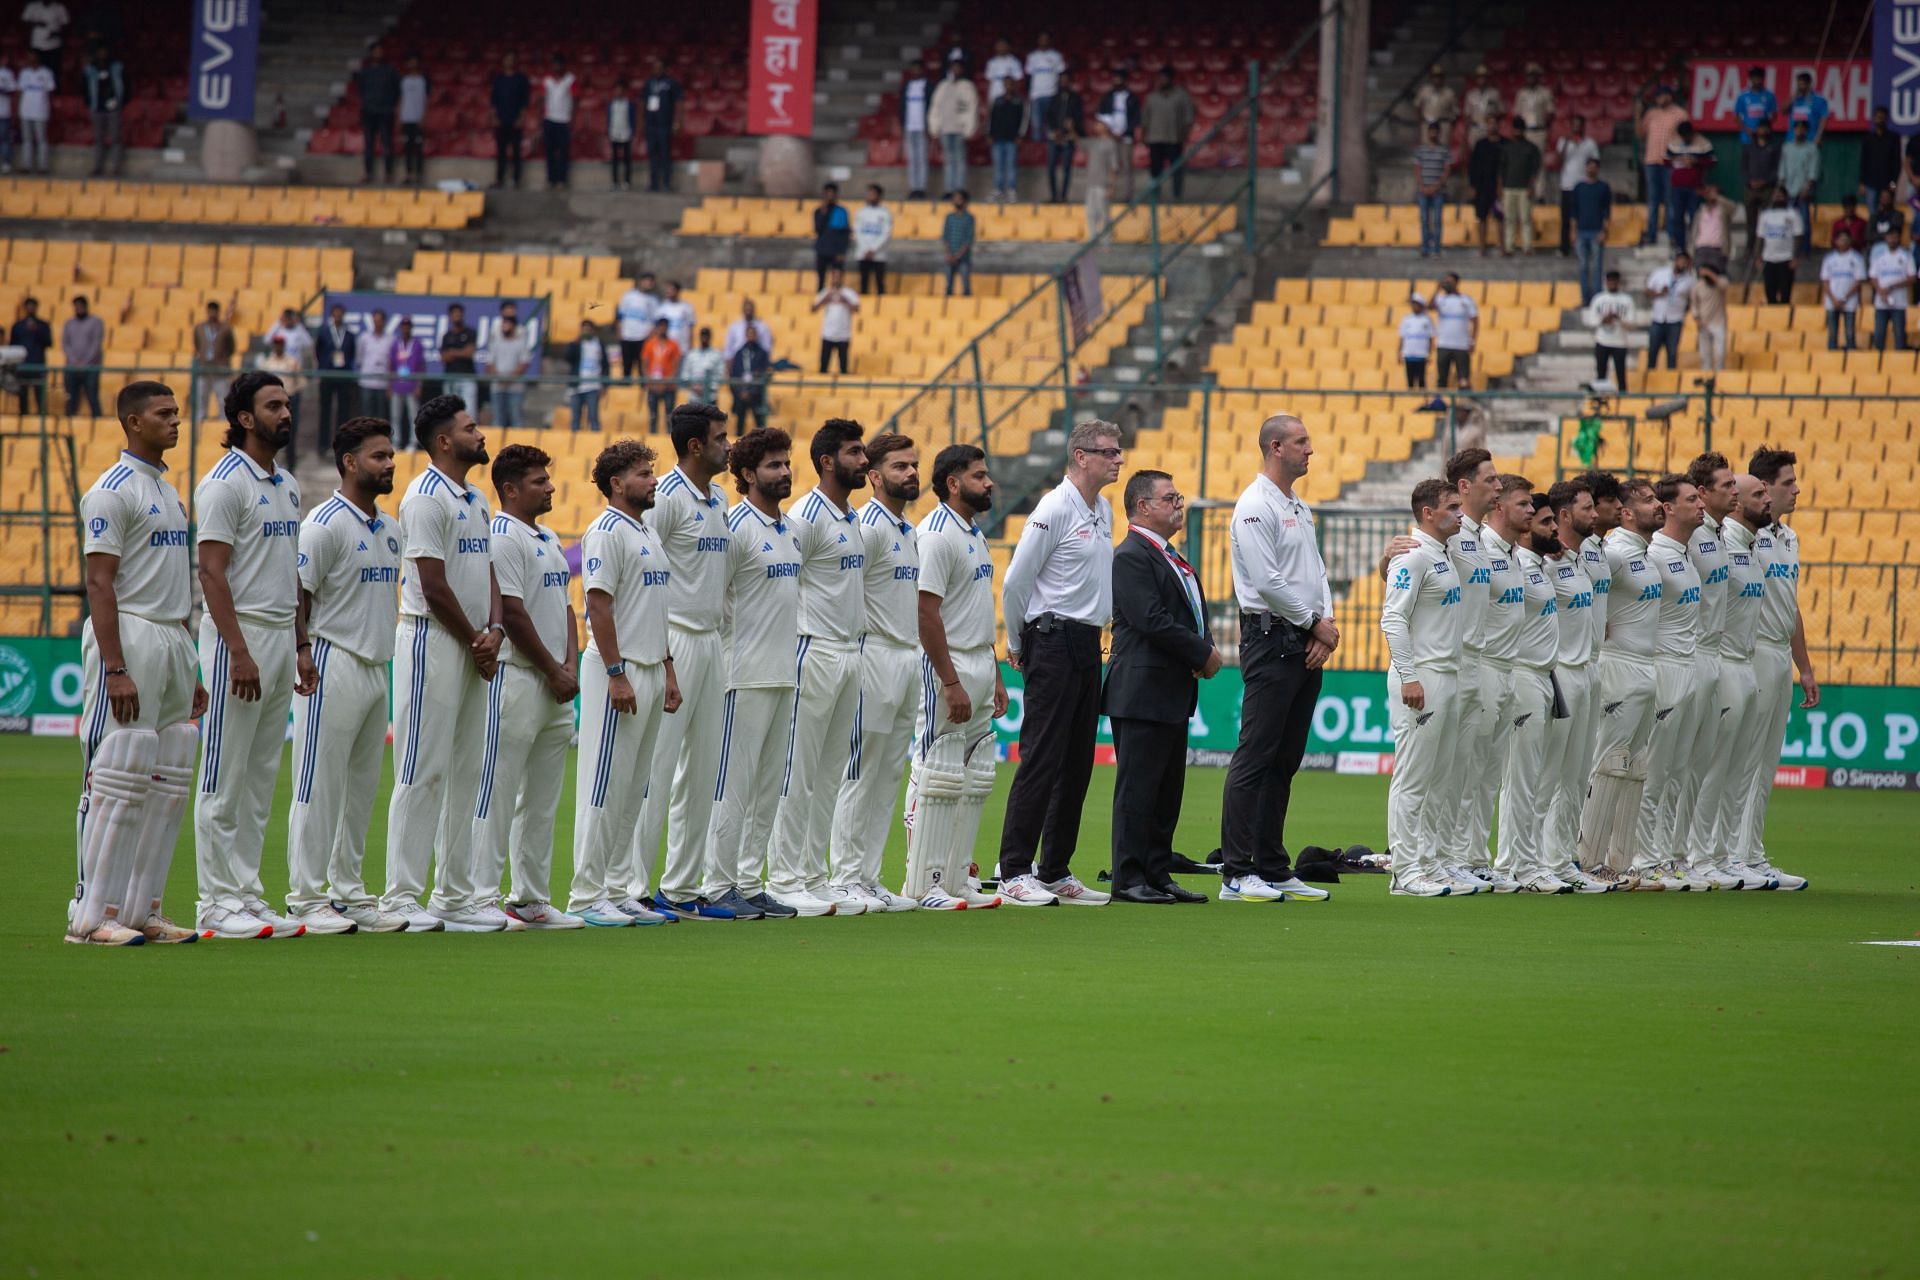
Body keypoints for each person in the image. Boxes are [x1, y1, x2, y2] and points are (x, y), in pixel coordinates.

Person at [69, 380, 206, 945]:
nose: (176, 422)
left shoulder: (169, 493)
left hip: (171, 636)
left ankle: (140, 909)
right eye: (163, 415)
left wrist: (190, 662)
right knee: (115, 770)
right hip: (129, 632)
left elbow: (173, 581)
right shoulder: (111, 491)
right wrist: (116, 665)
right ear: (133, 422)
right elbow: (99, 583)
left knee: (169, 771)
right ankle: (88, 915)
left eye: (177, 413)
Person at [629, 402, 762, 921]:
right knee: (657, 769)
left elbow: (721, 577)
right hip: (674, 638)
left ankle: (681, 889)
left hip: (711, 642)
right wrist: (659, 655)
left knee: (704, 770)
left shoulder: (719, 498)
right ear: (694, 446)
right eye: (722, 438)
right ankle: (634, 887)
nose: (729, 446)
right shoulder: (664, 499)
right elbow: (645, 575)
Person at [192, 371, 312, 938]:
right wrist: (237, 650)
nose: (285, 413)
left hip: (279, 639)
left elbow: (288, 571)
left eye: (286, 404)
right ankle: (214, 902)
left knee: (261, 775)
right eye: (273, 405)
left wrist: (300, 643)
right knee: (223, 772)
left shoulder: (287, 484)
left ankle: (245, 893)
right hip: (235, 641)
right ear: (244, 419)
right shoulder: (223, 483)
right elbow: (211, 572)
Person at [382, 395, 506, 932]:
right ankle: (400, 895)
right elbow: (431, 584)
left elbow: (490, 575)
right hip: (432, 640)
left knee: (464, 772)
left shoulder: (476, 499)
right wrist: (477, 638)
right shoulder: (425, 497)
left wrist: (494, 631)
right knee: (421, 768)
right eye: (469, 428)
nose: (479, 435)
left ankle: (452, 896)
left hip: (474, 643)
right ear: (442, 442)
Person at [285, 418, 410, 934]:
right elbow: (299, 593)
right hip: (332, 660)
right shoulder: (324, 523)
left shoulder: (392, 528)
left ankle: (349, 892)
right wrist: (302, 650)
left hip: (377, 665)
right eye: (379, 456)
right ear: (350, 462)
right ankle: (305, 897)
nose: (389, 464)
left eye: (390, 455)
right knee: (318, 783)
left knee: (361, 789)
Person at [995, 420, 1124, 907]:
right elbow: (1015, 582)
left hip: (1088, 642)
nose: (1117, 460)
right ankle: (1013, 870)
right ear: (1080, 456)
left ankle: (1053, 869)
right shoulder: (1053, 506)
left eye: (1119, 452)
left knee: (1077, 762)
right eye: (1109, 452)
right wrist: (1016, 641)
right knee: (1042, 757)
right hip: (1050, 638)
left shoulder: (1104, 508)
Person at [1217, 415, 1336, 903]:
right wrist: (1314, 623)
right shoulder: (1253, 505)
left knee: (1284, 758)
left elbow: (1316, 572)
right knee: (1256, 755)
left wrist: (1322, 627)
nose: (1311, 449)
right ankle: (1235, 871)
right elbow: (1267, 581)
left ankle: (1271, 864)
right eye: (1301, 441)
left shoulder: (1298, 506)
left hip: (1303, 637)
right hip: (1271, 638)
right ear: (1275, 446)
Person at [467, 445, 583, 928]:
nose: (551, 487)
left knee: (541, 797)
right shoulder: (503, 536)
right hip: (518, 677)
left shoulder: (549, 536)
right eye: (539, 481)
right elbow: (511, 613)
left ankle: (531, 897)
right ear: (511, 489)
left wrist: (569, 666)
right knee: (497, 788)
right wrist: (553, 671)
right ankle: (479, 895)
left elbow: (565, 608)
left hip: (555, 684)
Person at [566, 439, 680, 927]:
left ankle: (617, 886)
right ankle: (586, 894)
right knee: (603, 784)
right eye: (642, 474)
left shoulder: (647, 532)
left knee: (635, 786)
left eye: (651, 473)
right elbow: (598, 604)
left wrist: (669, 671)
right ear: (617, 483)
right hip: (620, 670)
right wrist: (616, 673)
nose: (653, 481)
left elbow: (656, 610)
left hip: (652, 668)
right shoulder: (606, 531)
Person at [704, 428, 814, 913]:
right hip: (741, 675)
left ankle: (749, 883)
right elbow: (715, 601)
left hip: (783, 675)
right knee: (732, 785)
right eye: (774, 465)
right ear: (748, 474)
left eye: (787, 463)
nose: (785, 472)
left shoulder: (792, 530)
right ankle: (715, 884)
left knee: (768, 787)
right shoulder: (733, 528)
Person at [766, 421, 872, 917]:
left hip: (851, 652)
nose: (864, 460)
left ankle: (812, 875)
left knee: (830, 773)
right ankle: (784, 877)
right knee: (799, 771)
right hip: (815, 651)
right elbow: (783, 588)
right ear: (827, 461)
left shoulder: (850, 516)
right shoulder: (805, 516)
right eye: (854, 452)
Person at [900, 444, 1006, 911]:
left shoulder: (974, 534)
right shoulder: (937, 534)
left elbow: (978, 610)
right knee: (937, 771)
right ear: (952, 483)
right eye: (980, 476)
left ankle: (958, 876)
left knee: (975, 774)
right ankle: (924, 885)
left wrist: (996, 674)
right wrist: (950, 680)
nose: (989, 483)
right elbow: (926, 613)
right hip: (953, 664)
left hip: (980, 660)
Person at [1105, 470, 1218, 904]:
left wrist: (1201, 645)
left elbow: (1187, 612)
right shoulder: (1131, 554)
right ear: (1142, 507)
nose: (1179, 504)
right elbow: (1150, 618)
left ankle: (1157, 872)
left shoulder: (1170, 555)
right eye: (1170, 497)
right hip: (1141, 688)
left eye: (1179, 496)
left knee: (1167, 789)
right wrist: (1201, 654)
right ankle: (1128, 877)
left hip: (1168, 687)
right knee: (1138, 788)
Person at [827, 433, 924, 913]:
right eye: (900, 466)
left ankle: (868, 875)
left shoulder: (908, 529)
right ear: (874, 475)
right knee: (860, 770)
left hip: (907, 656)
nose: (910, 473)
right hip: (873, 655)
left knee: (888, 773)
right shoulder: (866, 527)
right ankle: (844, 876)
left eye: (914, 465)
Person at [1619, 474, 1711, 891]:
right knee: (1653, 771)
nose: (1701, 503)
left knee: (1675, 771)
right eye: (1692, 498)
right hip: (1661, 667)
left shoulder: (1683, 552)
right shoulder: (1650, 553)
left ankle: (1665, 854)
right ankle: (1641, 857)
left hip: (1688, 666)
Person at [1575, 476, 1665, 886]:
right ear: (1626, 512)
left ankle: (1621, 862)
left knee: (1636, 766)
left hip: (1647, 667)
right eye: (1647, 500)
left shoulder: (1644, 554)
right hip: (1617, 666)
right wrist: (1596, 626)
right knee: (1608, 763)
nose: (1656, 504)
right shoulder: (1611, 552)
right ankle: (1588, 862)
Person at [1378, 478, 1465, 898]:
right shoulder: (1412, 557)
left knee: (1439, 778)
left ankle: (1428, 863)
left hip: (1446, 675)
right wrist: (1409, 675)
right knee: (1413, 779)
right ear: (1428, 513)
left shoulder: (1442, 554)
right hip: (1422, 678)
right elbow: (1393, 619)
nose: (1460, 514)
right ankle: (1405, 872)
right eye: (1452, 507)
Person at [1488, 477, 1572, 893]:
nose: (1552, 528)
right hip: (1520, 674)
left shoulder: (1536, 565)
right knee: (1520, 778)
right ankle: (1511, 866)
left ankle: (1529, 861)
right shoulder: (1513, 562)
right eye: (1542, 520)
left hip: (1543, 676)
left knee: (1536, 777)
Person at [1672, 453, 1747, 891]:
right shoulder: (1689, 536)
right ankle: (1677, 854)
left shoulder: (1718, 534)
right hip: (1690, 655)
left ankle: (1694, 853)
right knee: (1679, 764)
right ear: (1701, 493)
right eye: (1726, 486)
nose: (1733, 492)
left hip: (1715, 656)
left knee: (1700, 763)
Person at [1740, 448, 1812, 890]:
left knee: (1766, 763)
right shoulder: (1749, 536)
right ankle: (1732, 854)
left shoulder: (1789, 539)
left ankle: (1751, 852)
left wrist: (1804, 666)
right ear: (1763, 489)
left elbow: (1791, 605)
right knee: (1742, 762)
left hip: (1778, 658)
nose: (1796, 489)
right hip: (1751, 652)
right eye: (1788, 482)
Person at [1538, 479, 1612, 892]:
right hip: (1561, 671)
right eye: (1586, 508)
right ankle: (1532, 861)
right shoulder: (1544, 562)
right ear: (1564, 515)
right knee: (1548, 775)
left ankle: (1562, 858)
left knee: (1576, 775)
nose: (1595, 514)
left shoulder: (1584, 556)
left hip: (1588, 670)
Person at [1710, 474, 1782, 887]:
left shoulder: (1751, 545)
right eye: (1757, 494)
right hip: (1719, 664)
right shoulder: (1723, 544)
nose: (1765, 499)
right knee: (1714, 769)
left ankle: (1730, 855)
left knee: (1740, 769)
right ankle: (1711, 854)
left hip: (1746, 663)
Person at [1635, 85, 1687, 247]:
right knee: (1653, 200)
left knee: (1670, 199)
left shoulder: (1680, 114)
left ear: (1670, 96)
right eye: (1658, 97)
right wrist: (1638, 114)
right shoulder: (1651, 114)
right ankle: (1651, 235)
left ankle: (1672, 235)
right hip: (1651, 161)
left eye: (1663, 96)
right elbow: (1640, 135)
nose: (1660, 99)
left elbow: (1686, 137)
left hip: (1670, 162)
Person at [1143, 67, 1195, 198]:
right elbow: (1145, 119)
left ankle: (1177, 196)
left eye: (1165, 78)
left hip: (1174, 138)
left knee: (1176, 169)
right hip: (1155, 139)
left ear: (1171, 79)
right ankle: (1155, 195)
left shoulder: (1181, 95)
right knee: (1155, 170)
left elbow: (1188, 117)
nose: (1162, 81)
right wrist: (1145, 135)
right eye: (1160, 78)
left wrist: (1184, 134)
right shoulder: (1152, 97)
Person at [929, 60, 979, 196]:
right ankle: (949, 190)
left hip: (960, 130)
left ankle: (959, 190)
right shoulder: (943, 86)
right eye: (953, 68)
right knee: (948, 160)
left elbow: (972, 108)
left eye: (958, 68)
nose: (955, 71)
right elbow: (935, 107)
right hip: (945, 129)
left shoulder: (967, 86)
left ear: (962, 70)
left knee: (960, 160)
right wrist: (934, 127)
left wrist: (969, 129)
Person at [1665, 120, 1713, 248]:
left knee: (1694, 218)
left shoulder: (1703, 143)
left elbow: (1712, 161)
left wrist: (1695, 161)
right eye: (1683, 136)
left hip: (1695, 187)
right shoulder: (1674, 142)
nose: (1685, 138)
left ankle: (1694, 245)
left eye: (1687, 135)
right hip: (1677, 187)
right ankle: (1680, 246)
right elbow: (1666, 160)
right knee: (1677, 218)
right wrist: (1678, 159)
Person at [1740, 121, 1783, 262]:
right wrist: (1750, 181)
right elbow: (1743, 167)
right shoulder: (1749, 147)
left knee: (1767, 220)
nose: (1762, 130)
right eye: (1760, 128)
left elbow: (1777, 168)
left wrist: (1766, 181)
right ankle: (1750, 249)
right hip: (1750, 189)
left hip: (1767, 189)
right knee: (1751, 222)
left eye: (1765, 128)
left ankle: (1764, 250)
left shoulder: (1774, 146)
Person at [315, 304, 358, 448]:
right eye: (336, 314)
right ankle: (323, 444)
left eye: (340, 314)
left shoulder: (349, 334)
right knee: (325, 410)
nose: (338, 317)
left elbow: (351, 354)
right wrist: (323, 367)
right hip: (328, 375)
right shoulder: (324, 333)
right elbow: (319, 351)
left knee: (343, 412)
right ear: (332, 316)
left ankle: (341, 444)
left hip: (343, 376)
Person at [1570, 157, 1612, 304]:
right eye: (1589, 166)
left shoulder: (1603, 187)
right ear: (1586, 168)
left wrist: (1604, 231)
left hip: (1596, 232)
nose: (1591, 169)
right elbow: (1574, 212)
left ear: (1598, 169)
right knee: (1583, 267)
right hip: (1581, 231)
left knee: (1596, 267)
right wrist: (1573, 231)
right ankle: (1585, 299)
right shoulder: (1579, 187)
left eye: (1594, 167)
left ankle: (1597, 299)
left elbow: (1607, 212)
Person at [259, 336, 307, 463]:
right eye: (276, 344)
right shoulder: (267, 363)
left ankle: (291, 462)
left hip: (289, 398)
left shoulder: (292, 362)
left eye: (280, 344)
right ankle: (269, 460)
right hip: (271, 401)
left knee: (290, 430)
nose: (278, 347)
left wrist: (293, 394)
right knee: (270, 430)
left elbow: (301, 381)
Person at [1499, 116, 1542, 255]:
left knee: (1525, 219)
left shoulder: (1531, 148)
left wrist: (1531, 186)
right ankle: (1509, 246)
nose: (1517, 132)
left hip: (1524, 188)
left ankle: (1527, 247)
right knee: (1509, 219)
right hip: (1508, 187)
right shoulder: (1506, 148)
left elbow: (1535, 170)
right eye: (1515, 129)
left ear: (1523, 130)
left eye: (1519, 129)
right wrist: (1500, 187)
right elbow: (1501, 170)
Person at [356, 45, 400, 184]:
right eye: (375, 51)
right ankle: (368, 173)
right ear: (371, 53)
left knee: (387, 143)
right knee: (369, 144)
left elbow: (397, 91)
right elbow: (361, 90)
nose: (378, 53)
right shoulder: (366, 72)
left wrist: (389, 104)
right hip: (369, 111)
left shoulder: (390, 71)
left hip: (385, 112)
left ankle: (388, 174)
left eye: (380, 51)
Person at [1095, 70, 1141, 201]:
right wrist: (1110, 133)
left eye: (1119, 80)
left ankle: (1128, 195)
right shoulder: (1107, 97)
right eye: (1114, 80)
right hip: (1109, 138)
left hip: (1126, 139)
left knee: (1127, 167)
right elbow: (1101, 118)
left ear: (1125, 81)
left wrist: (1124, 133)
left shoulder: (1132, 98)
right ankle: (1108, 194)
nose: (1116, 83)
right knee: (1109, 166)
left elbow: (1136, 119)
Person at [1644, 250, 1693, 370]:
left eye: (1684, 262)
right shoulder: (1660, 273)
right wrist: (1659, 293)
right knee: (1652, 351)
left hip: (1675, 320)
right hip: (1658, 318)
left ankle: (1671, 381)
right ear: (1675, 261)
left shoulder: (1690, 280)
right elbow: (1647, 291)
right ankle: (1650, 379)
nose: (1682, 264)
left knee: (1671, 353)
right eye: (1680, 261)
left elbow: (1692, 299)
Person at [1585, 269, 1634, 389]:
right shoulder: (1599, 299)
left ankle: (1623, 399)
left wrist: (1618, 319)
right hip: (1602, 341)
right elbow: (1591, 321)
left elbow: (1631, 324)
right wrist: (1603, 319)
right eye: (1609, 281)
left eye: (1614, 281)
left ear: (1618, 282)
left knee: (1621, 374)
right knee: (1601, 374)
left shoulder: (1626, 300)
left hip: (1620, 342)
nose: (1611, 284)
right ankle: (1601, 400)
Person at [80, 42, 122, 177]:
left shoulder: (116, 68)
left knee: (115, 138)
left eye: (104, 51)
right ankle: (97, 167)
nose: (102, 54)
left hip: (113, 108)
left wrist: (120, 102)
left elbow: (125, 87)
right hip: (97, 108)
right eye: (100, 52)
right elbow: (84, 88)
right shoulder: (91, 69)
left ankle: (115, 168)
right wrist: (89, 103)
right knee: (98, 139)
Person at [355, 309, 397, 443]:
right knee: (367, 414)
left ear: (384, 322)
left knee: (381, 415)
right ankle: (366, 440)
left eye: (380, 321)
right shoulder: (364, 338)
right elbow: (360, 358)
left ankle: (380, 441)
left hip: (383, 383)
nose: (377, 323)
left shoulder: (391, 339)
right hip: (367, 382)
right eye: (375, 321)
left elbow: (393, 361)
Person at [1755, 186, 1803, 305]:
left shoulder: (1793, 214)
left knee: (1785, 293)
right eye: (1775, 195)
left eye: (1780, 195)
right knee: (1770, 292)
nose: (1777, 198)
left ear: (1786, 197)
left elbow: (1798, 236)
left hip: (1786, 258)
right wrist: (1757, 257)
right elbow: (1760, 237)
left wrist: (1795, 257)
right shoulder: (1765, 215)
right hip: (1768, 258)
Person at [1515, 64, 1555, 201]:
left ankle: (1540, 194)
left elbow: (1550, 113)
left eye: (1533, 75)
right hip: (1525, 132)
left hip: (1539, 130)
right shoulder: (1521, 94)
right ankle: (1525, 191)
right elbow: (1517, 114)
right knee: (1524, 162)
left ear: (1538, 77)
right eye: (1528, 75)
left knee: (1539, 162)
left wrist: (1547, 129)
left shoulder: (1545, 92)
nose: (1530, 78)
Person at [1870, 225, 1914, 351]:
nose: (1893, 240)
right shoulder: (1880, 257)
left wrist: (1892, 286)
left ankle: (1900, 365)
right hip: (1881, 303)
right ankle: (1877, 364)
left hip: (1899, 303)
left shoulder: (1906, 256)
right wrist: (1881, 291)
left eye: (1895, 237)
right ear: (1886, 238)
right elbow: (1873, 277)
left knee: (1900, 336)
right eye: (1890, 237)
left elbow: (1912, 277)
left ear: (1899, 238)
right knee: (1878, 336)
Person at [1821, 229, 1866, 351]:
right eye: (1841, 239)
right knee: (1832, 334)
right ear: (1836, 241)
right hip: (1832, 302)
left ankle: (1851, 359)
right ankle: (1831, 360)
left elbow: (1859, 280)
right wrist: (1834, 299)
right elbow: (1825, 281)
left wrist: (1844, 298)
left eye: (1846, 239)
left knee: (1850, 333)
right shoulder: (1829, 259)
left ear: (1850, 241)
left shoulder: (1857, 258)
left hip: (1849, 302)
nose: (1843, 242)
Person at [490, 52, 530, 188]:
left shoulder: (521, 79)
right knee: (500, 152)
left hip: (515, 121)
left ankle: (516, 180)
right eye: (507, 59)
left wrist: (521, 118)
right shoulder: (498, 79)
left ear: (515, 61)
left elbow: (525, 102)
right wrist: (494, 118)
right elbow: (493, 101)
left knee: (516, 152)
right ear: (503, 61)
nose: (509, 62)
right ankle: (499, 179)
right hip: (501, 121)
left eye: (512, 59)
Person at [486, 310, 532, 426]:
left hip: (515, 388)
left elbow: (524, 364)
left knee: (516, 418)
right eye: (503, 324)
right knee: (497, 419)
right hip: (497, 387)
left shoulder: (521, 344)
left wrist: (509, 378)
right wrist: (500, 378)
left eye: (507, 324)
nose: (504, 326)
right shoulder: (495, 343)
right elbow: (489, 364)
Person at [192, 300, 236, 422]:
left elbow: (231, 347)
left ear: (218, 312)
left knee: (222, 397)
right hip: (203, 367)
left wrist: (222, 358)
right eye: (210, 311)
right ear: (207, 311)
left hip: (220, 368)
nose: (212, 314)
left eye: (214, 311)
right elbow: (197, 345)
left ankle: (223, 420)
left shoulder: (225, 328)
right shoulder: (199, 328)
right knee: (201, 396)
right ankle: (200, 421)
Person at [1781, 120, 1820, 256]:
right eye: (1797, 129)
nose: (1800, 131)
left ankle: (1805, 251)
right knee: (1788, 222)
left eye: (1803, 129)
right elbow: (1782, 170)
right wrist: (1782, 190)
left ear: (1806, 131)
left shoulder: (1812, 148)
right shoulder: (1787, 147)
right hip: (1788, 191)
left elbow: (1813, 172)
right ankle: (1789, 250)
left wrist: (1807, 189)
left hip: (1803, 191)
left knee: (1804, 222)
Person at [59, 294, 103, 416]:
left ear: (85, 306)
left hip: (90, 368)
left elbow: (96, 343)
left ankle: (97, 424)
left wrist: (85, 362)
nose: (78, 309)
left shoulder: (96, 322)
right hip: (72, 368)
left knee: (92, 397)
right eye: (76, 306)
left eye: (80, 306)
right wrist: (74, 361)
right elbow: (65, 344)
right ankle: (69, 427)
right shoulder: (69, 324)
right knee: (71, 399)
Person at [1431, 273, 1477, 388]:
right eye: (1445, 282)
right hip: (1444, 344)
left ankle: (1463, 402)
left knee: (1463, 378)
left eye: (1449, 282)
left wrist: (1472, 341)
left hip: (1461, 345)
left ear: (1456, 283)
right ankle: (1441, 403)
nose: (1447, 284)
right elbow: (1429, 307)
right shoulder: (1441, 299)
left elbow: (1475, 321)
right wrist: (1437, 290)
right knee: (1442, 378)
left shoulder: (1466, 300)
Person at [1413, 122, 1451, 258]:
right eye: (1431, 131)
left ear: (1439, 133)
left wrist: (1436, 186)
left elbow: (1446, 171)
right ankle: (1425, 248)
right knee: (1424, 220)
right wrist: (1422, 186)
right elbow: (1417, 170)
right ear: (1428, 133)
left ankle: (1436, 248)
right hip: (1423, 191)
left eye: (1436, 131)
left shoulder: (1444, 150)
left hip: (1438, 192)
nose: (1433, 134)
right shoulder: (1421, 150)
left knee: (1437, 220)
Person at [642, 56, 681, 192]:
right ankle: (653, 184)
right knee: (652, 155)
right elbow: (642, 103)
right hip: (651, 124)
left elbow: (678, 102)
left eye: (659, 67)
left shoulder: (670, 83)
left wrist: (676, 122)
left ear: (664, 69)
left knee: (665, 155)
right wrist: (642, 124)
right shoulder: (648, 84)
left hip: (664, 124)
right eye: (655, 67)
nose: (656, 70)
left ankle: (666, 183)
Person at [1045, 71, 1085, 202]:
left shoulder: (1076, 99)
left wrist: (1071, 129)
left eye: (1066, 80)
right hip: (1054, 137)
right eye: (1061, 80)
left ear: (1070, 82)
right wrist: (1055, 130)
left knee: (1067, 168)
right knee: (1051, 167)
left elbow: (1079, 118)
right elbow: (1049, 117)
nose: (1064, 83)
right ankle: (1053, 195)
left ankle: (1063, 196)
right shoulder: (1054, 98)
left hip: (1068, 137)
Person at [987, 78, 1027, 203]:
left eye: (1010, 84)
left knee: (1011, 166)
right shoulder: (997, 100)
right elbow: (991, 118)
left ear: (1014, 86)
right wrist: (990, 134)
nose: (1008, 87)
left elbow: (1024, 119)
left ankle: (1011, 191)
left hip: (1012, 139)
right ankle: (998, 190)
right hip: (997, 138)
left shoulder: (1019, 101)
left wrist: (1020, 135)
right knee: (998, 166)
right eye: (1006, 84)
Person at [812, 267, 859, 374]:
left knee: (843, 367)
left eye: (838, 277)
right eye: (834, 276)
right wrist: (827, 298)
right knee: (823, 366)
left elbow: (856, 309)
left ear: (842, 278)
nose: (836, 279)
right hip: (827, 333)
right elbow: (813, 309)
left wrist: (844, 299)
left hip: (843, 334)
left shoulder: (849, 293)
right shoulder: (825, 292)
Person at [567, 319, 610, 432]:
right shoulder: (576, 344)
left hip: (593, 386)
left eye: (588, 329)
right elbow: (568, 358)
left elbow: (605, 365)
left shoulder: (599, 344)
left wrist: (604, 384)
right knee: (575, 418)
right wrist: (575, 343)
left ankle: (596, 442)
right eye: (584, 329)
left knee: (593, 417)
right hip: (577, 385)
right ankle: (574, 442)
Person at [1467, 121, 1503, 256]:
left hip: (1498, 188)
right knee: (1482, 217)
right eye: (1489, 123)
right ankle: (1482, 247)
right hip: (1482, 187)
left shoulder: (1504, 144)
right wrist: (1473, 185)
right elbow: (1473, 166)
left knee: (1500, 217)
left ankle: (1502, 247)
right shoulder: (1480, 144)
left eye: (1494, 123)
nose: (1492, 126)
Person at [616, 272, 660, 378]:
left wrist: (649, 336)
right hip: (627, 336)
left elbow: (655, 321)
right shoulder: (628, 296)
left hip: (642, 338)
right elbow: (620, 316)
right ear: (641, 282)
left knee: (642, 366)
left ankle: (642, 391)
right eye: (646, 281)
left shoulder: (654, 300)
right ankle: (624, 390)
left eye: (651, 282)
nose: (648, 284)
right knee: (627, 366)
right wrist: (619, 332)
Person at [727, 329, 772, 434]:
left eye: (753, 334)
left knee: (760, 422)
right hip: (741, 393)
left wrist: (751, 392)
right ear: (745, 335)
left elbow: (763, 374)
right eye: (749, 334)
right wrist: (740, 392)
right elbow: (734, 374)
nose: (751, 336)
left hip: (756, 394)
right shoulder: (739, 353)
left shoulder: (762, 353)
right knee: (740, 422)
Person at [388, 317, 426, 440]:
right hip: (397, 385)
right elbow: (391, 365)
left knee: (413, 416)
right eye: (403, 326)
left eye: (408, 326)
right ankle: (396, 441)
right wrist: (389, 385)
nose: (405, 328)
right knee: (395, 416)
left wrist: (419, 385)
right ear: (400, 328)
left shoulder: (417, 344)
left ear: (411, 328)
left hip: (411, 386)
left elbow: (421, 366)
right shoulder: (395, 344)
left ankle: (413, 442)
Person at [542, 53, 575, 190]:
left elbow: (575, 99)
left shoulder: (570, 79)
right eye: (555, 64)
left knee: (563, 152)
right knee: (549, 151)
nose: (557, 67)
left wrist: (571, 117)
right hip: (549, 120)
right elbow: (543, 98)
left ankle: (562, 180)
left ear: (563, 66)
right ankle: (551, 180)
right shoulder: (547, 80)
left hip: (564, 120)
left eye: (559, 64)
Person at [637, 317, 677, 431]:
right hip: (652, 385)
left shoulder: (673, 345)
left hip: (668, 386)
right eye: (661, 326)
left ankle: (670, 439)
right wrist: (649, 380)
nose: (663, 329)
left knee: (669, 416)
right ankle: (652, 438)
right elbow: (644, 363)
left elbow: (676, 365)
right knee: (653, 416)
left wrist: (667, 381)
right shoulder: (649, 344)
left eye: (665, 326)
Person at [16, 50, 52, 174]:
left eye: (33, 56)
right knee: (27, 139)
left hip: (40, 110)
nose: (30, 59)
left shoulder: (46, 72)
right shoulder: (24, 73)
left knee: (41, 139)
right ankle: (26, 165)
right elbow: (20, 90)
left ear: (38, 58)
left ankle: (43, 167)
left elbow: (50, 90)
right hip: (25, 110)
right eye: (29, 56)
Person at [1025, 33, 1065, 142]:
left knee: (1051, 123)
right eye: (1041, 39)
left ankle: (1050, 147)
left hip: (1052, 93)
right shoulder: (1032, 56)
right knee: (1037, 124)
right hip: (1036, 95)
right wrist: (1028, 93)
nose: (1044, 42)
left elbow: (1062, 74)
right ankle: (1037, 149)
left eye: (1046, 39)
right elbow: (1028, 76)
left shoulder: (1056, 56)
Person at [1691, 260, 1728, 372]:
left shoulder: (1720, 282)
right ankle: (1706, 378)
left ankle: (1719, 376)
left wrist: (1710, 274)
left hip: (1718, 323)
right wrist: (1697, 319)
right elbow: (1694, 304)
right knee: (1705, 355)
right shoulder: (1697, 286)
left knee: (1720, 353)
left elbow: (1724, 285)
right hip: (1704, 324)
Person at [901, 64, 932, 198]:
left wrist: (929, 125)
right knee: (912, 159)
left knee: (922, 158)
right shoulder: (907, 86)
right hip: (909, 126)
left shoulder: (928, 86)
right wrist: (903, 124)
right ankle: (914, 187)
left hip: (922, 127)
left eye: (918, 68)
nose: (915, 71)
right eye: (913, 68)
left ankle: (922, 188)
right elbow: (901, 107)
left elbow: (931, 106)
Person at [1689, 180, 1733, 274]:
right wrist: (1691, 250)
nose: (1710, 195)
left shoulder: (1723, 210)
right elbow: (1695, 231)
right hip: (1701, 248)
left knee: (1716, 276)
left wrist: (1717, 198)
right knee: (1701, 277)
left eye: (1713, 192)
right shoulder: (1701, 210)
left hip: (1717, 249)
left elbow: (1733, 208)